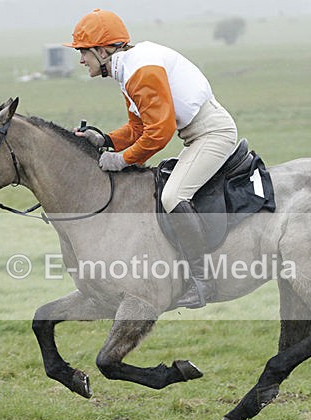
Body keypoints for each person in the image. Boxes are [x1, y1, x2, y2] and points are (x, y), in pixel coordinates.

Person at [64, 9, 238, 309]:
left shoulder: (140, 69)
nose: (81, 60)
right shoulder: (129, 68)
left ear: (103, 50)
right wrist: (105, 140)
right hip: (197, 135)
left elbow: (160, 132)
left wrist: (123, 160)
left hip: (212, 135)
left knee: (172, 196)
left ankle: (203, 281)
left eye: (83, 52)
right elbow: (138, 127)